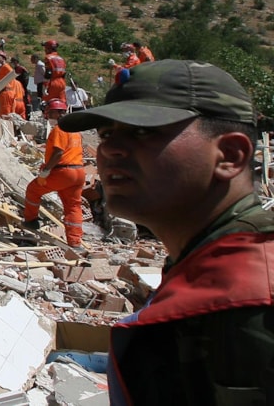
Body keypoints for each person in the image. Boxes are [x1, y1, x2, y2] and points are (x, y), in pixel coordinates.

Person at [58, 60, 274, 404]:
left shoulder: (248, 305)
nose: (110, 149)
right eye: (106, 133)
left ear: (230, 155)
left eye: (143, 131)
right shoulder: (208, 263)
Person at [21, 99, 87, 249]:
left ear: (58, 113)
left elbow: (59, 152)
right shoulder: (75, 130)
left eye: (50, 112)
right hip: (79, 171)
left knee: (33, 189)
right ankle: (75, 242)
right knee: (73, 206)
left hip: (64, 171)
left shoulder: (59, 129)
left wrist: (46, 170)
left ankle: (31, 221)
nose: (48, 115)